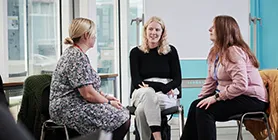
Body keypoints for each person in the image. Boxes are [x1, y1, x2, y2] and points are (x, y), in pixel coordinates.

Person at [180, 15, 268, 140]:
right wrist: (201, 100)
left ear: (223, 30)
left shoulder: (233, 51)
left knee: (206, 110)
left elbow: (241, 85)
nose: (209, 29)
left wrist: (216, 98)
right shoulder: (215, 52)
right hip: (236, 96)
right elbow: (210, 81)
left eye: (214, 27)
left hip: (252, 99)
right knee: (198, 106)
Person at [49, 18, 130, 140]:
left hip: (78, 103)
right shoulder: (76, 57)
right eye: (94, 34)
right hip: (69, 109)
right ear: (86, 35)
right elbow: (87, 94)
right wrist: (107, 102)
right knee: (121, 119)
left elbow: (88, 87)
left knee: (122, 113)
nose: (95, 37)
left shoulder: (77, 53)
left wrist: (105, 96)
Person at [129, 16, 182, 140]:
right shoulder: (135, 52)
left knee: (141, 110)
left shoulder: (170, 51)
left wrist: (163, 88)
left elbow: (177, 79)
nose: (153, 33)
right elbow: (137, 81)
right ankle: (158, 138)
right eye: (150, 29)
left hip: (165, 94)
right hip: (142, 92)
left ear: (162, 33)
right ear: (145, 31)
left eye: (157, 30)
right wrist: (160, 87)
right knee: (148, 93)